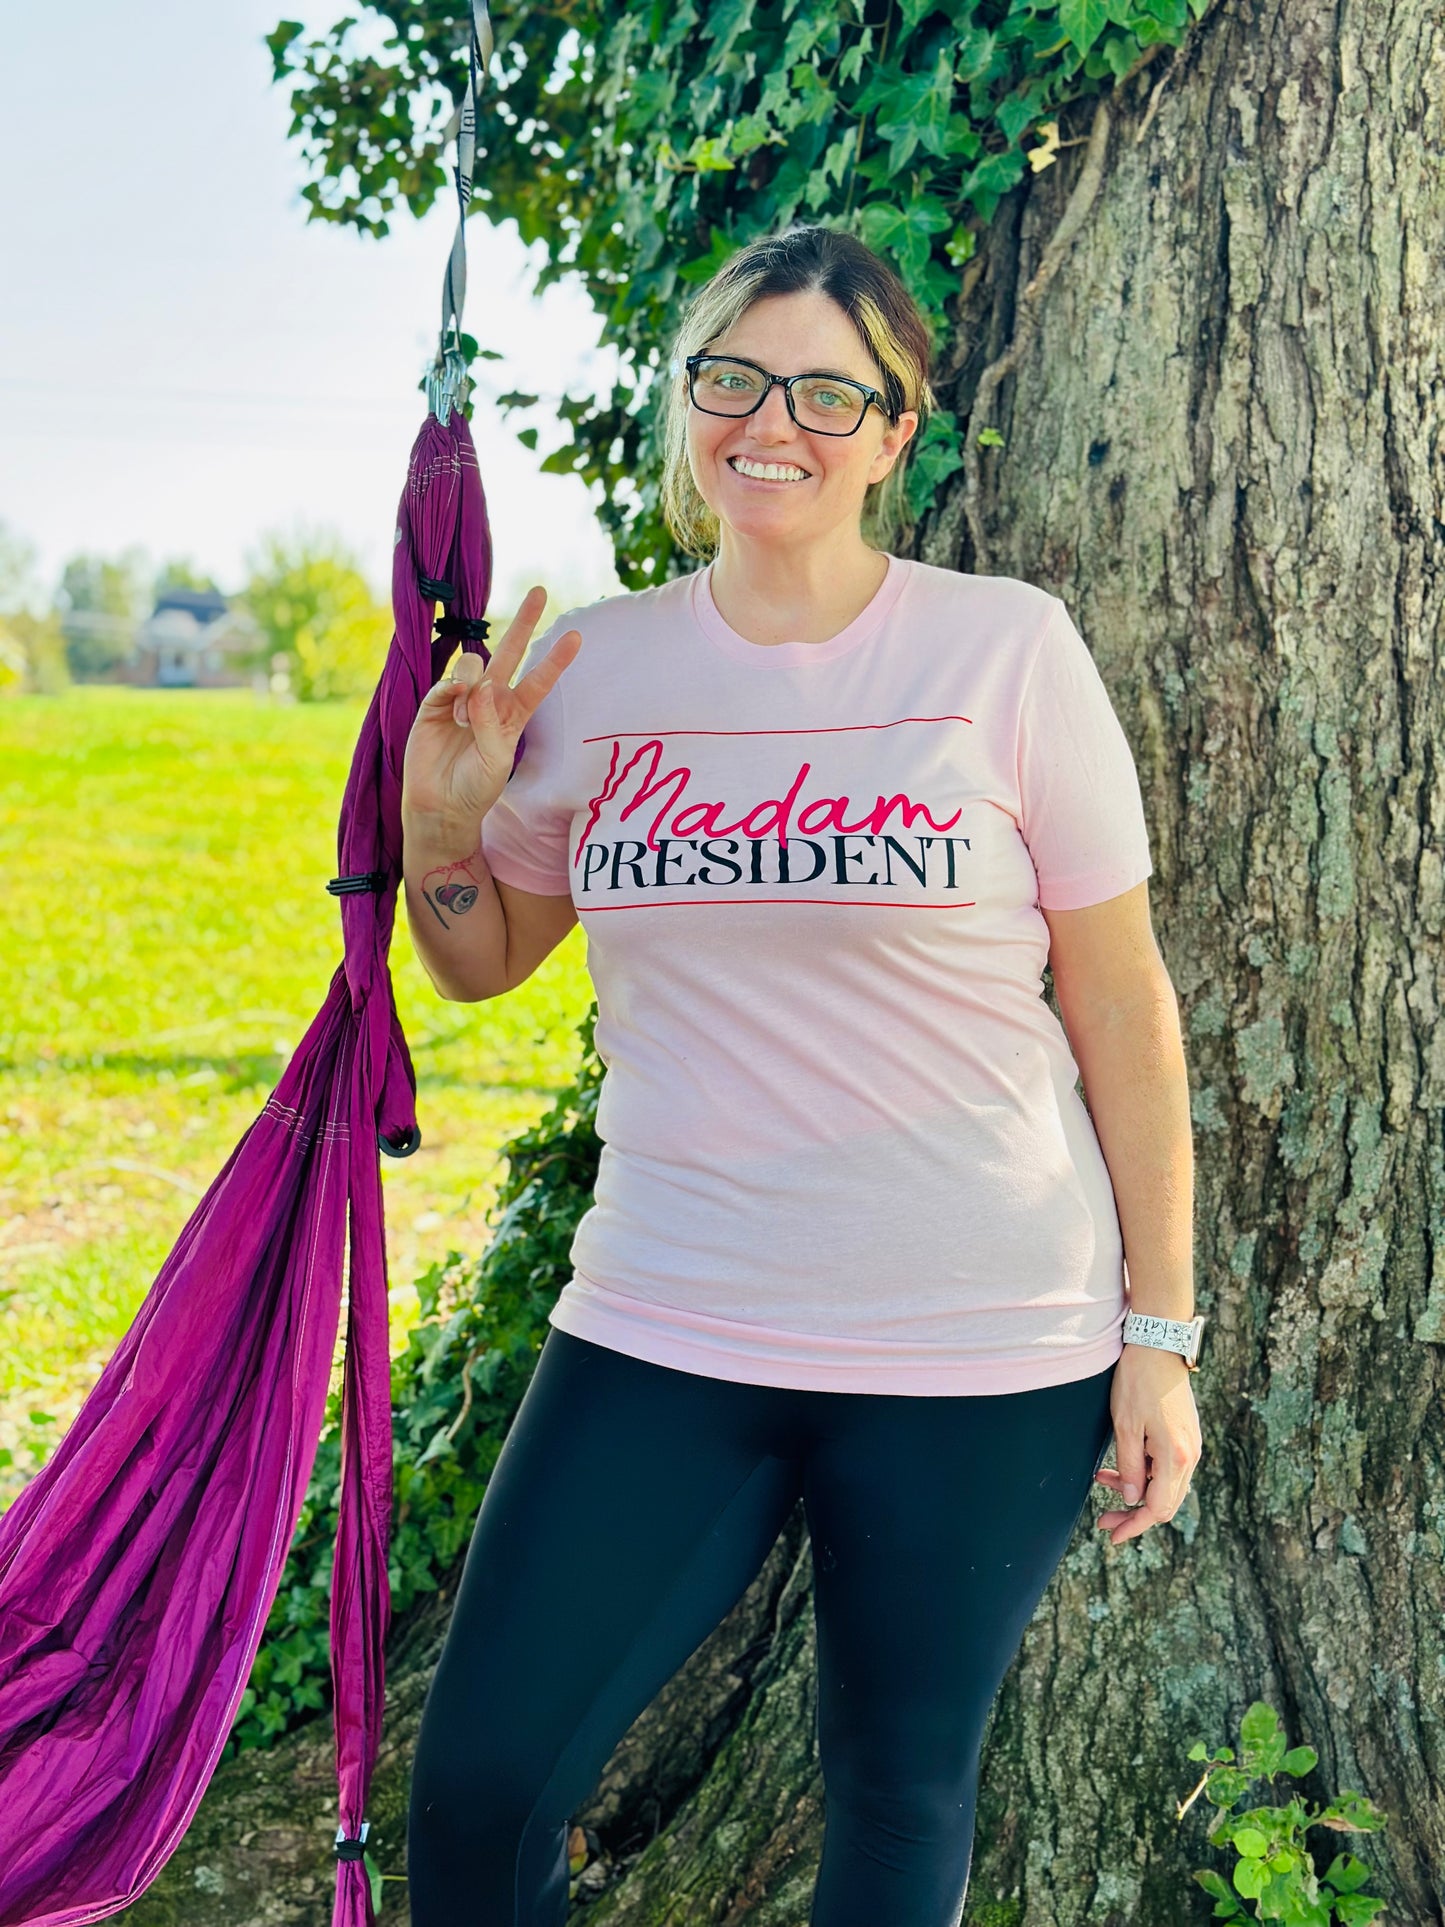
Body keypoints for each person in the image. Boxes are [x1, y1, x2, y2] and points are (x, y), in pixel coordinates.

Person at [398, 222, 1203, 1926]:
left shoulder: (1004, 650)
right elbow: (475, 960)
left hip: (980, 1341)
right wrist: (442, 829)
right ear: (687, 404)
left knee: (897, 1792)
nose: (774, 420)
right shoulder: (599, 672)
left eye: (829, 390)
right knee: (478, 1793)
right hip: (667, 1316)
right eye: (734, 378)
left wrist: (1159, 1338)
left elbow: (1121, 1001)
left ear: (897, 431)